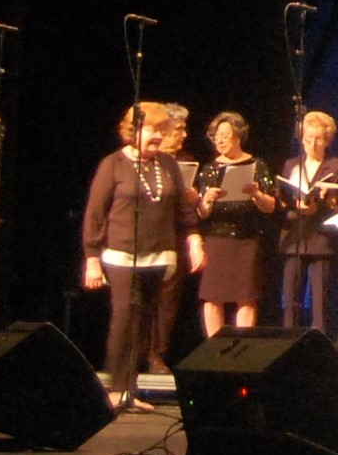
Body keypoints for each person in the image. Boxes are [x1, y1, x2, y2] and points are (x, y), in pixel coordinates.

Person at [85, 102, 204, 410]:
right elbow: (95, 213)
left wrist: (194, 241)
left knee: (144, 324)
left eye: (162, 131)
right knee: (124, 318)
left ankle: (130, 390)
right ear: (133, 130)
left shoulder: (167, 164)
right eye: (153, 130)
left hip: (159, 255)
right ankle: (116, 388)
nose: (158, 137)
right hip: (122, 255)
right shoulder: (113, 164)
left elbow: (182, 208)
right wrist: (92, 257)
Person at [193, 111, 279, 334]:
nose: (220, 141)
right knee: (213, 296)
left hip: (246, 238)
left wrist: (256, 194)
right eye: (216, 137)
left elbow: (270, 206)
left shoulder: (256, 164)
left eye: (225, 136)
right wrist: (207, 200)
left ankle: (242, 344)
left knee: (246, 296)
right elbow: (202, 213)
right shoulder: (210, 168)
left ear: (238, 136)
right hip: (216, 239)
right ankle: (214, 348)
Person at [278, 110, 338, 337]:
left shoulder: (336, 166)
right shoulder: (291, 164)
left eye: (318, 139)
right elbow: (282, 199)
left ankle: (320, 341)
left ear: (327, 140)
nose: (312, 144)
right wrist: (291, 202)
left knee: (320, 297)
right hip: (295, 236)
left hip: (321, 237)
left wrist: (323, 204)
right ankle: (289, 340)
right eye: (308, 138)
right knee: (290, 296)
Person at [143, 104, 194, 368]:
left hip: (173, 238)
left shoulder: (184, 161)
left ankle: (157, 353)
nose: (184, 135)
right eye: (179, 130)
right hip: (143, 237)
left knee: (167, 301)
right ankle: (134, 352)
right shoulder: (142, 160)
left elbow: (187, 209)